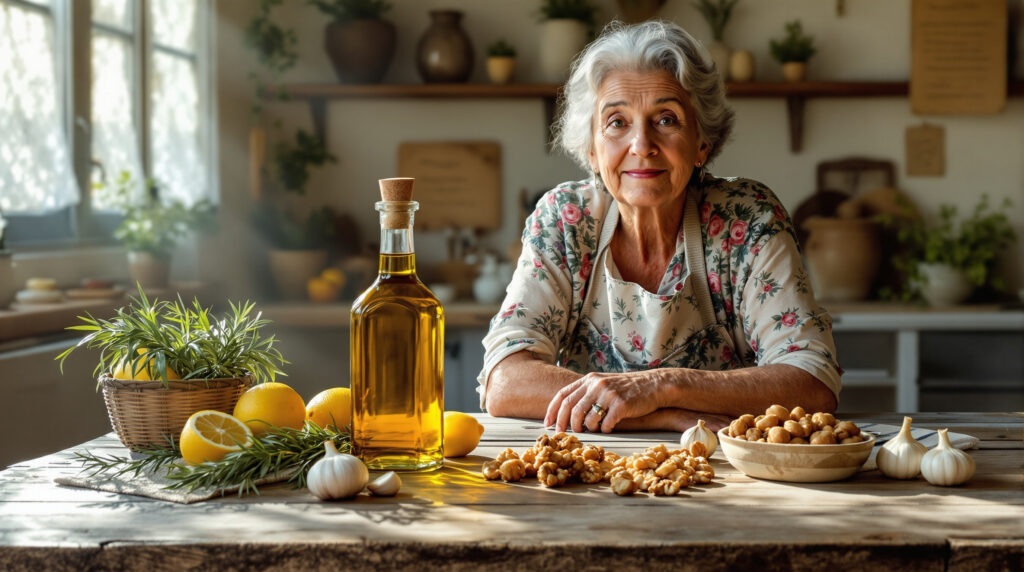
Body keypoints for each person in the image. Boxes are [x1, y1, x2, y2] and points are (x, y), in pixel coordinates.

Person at [476, 21, 843, 435]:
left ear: (701, 143)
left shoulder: (746, 219)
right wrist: (656, 415)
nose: (642, 145)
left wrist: (661, 385)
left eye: (666, 119)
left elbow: (812, 380)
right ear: (592, 149)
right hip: (590, 465)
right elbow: (504, 380)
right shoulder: (566, 220)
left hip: (723, 462)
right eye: (617, 122)